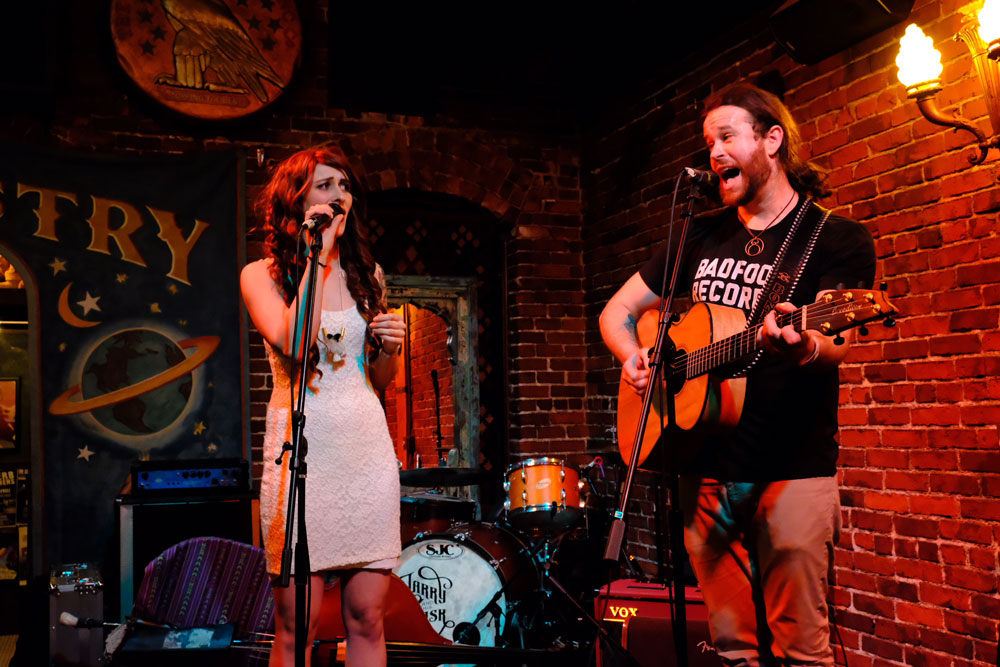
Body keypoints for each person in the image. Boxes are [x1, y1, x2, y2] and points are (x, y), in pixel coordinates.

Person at [599, 83, 876, 667]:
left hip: (790, 468)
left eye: (727, 137)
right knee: (730, 648)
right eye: (709, 142)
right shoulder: (699, 235)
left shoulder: (834, 236)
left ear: (772, 140)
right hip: (701, 467)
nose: (714, 153)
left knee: (802, 647)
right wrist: (632, 356)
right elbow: (616, 313)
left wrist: (801, 347)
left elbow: (837, 346)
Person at [241, 144, 405, 667]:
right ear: (297, 200)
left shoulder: (368, 276)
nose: (339, 195)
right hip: (301, 456)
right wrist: (317, 253)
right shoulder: (262, 275)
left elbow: (375, 379)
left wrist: (393, 350)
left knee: (366, 617)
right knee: (296, 626)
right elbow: (293, 341)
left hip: (364, 451)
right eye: (325, 185)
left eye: (344, 186)